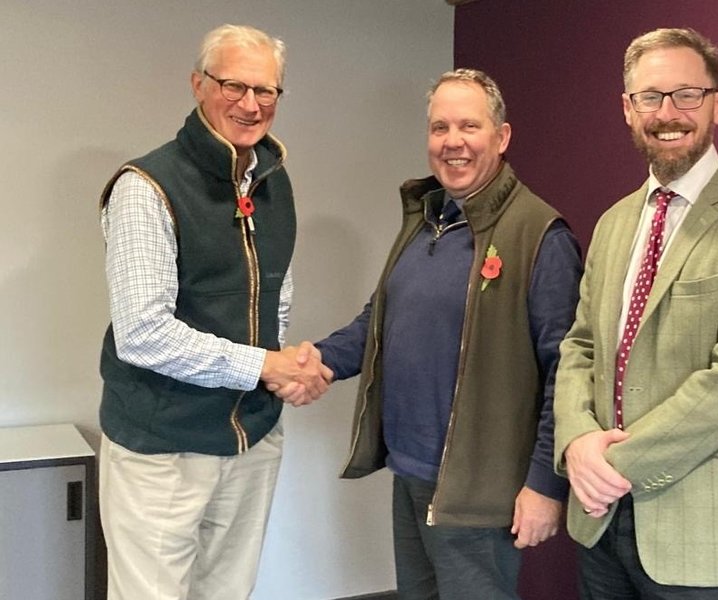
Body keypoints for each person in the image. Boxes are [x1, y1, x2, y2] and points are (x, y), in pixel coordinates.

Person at [553, 28, 718, 599]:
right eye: (650, 96)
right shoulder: (614, 223)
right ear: (628, 109)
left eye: (686, 94)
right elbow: (581, 347)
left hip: (704, 533)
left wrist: (613, 465)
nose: (668, 113)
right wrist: (575, 442)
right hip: (601, 525)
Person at [311, 69, 583, 599]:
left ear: (501, 137)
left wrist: (546, 486)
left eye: (468, 126)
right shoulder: (425, 220)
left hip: (480, 493)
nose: (452, 142)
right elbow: (380, 321)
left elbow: (567, 373)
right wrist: (315, 361)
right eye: (439, 128)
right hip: (412, 473)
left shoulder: (539, 235)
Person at [98, 24, 331, 600]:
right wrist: (265, 367)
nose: (250, 104)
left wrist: (286, 368)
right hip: (162, 448)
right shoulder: (145, 186)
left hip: (251, 439)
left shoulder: (274, 182)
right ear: (199, 85)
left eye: (267, 90)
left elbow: (274, 295)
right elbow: (143, 335)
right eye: (234, 85)